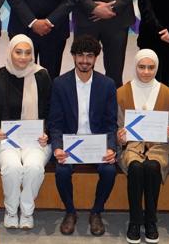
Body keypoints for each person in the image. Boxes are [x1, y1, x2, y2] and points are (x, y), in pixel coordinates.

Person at [47, 35, 118, 236]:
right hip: (70, 144)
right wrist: (58, 147)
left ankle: (96, 212)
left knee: (109, 170)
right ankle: (70, 211)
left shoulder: (107, 84)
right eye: (80, 55)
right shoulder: (60, 83)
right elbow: (55, 123)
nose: (84, 60)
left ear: (96, 58)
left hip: (97, 144)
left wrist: (111, 148)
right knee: (61, 170)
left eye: (89, 56)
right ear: (73, 56)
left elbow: (111, 123)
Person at [116, 49, 169, 244]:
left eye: (150, 67)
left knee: (152, 166)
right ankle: (135, 221)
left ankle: (151, 220)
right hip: (132, 146)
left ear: (156, 68)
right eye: (141, 67)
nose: (146, 71)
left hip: (159, 146)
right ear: (135, 67)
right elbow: (119, 127)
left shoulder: (168, 94)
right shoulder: (122, 93)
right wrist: (121, 137)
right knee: (135, 167)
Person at [0, 35, 51, 229]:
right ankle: (10, 210)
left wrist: (47, 132)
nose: (23, 57)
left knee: (34, 167)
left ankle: (26, 211)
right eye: (18, 52)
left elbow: (51, 109)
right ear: (10, 52)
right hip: (5, 140)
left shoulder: (42, 76)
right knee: (12, 167)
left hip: (36, 140)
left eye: (27, 53)